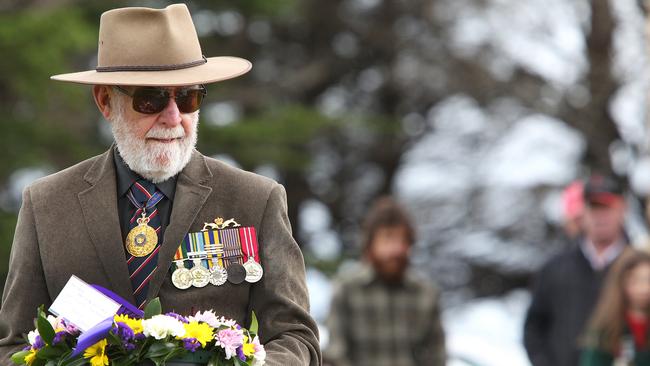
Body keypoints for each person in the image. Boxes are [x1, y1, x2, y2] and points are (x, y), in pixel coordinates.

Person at [0, 4, 320, 365]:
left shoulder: (255, 200)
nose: (173, 117)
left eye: (188, 97)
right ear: (106, 101)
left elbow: (296, 338)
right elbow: (12, 347)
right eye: (150, 99)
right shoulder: (47, 205)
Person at [323, 197, 445, 366]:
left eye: (403, 240)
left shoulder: (426, 293)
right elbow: (336, 353)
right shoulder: (346, 289)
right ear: (370, 243)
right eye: (388, 238)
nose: (397, 249)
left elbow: (437, 357)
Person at [524, 174, 628, 366]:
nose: (600, 216)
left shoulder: (639, 267)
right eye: (593, 207)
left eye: (607, 207)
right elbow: (534, 328)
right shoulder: (554, 268)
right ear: (583, 213)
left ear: (623, 208)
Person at [580, 249, 650, 365]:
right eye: (635, 281)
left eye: (648, 281)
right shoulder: (608, 327)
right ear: (621, 283)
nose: (644, 288)